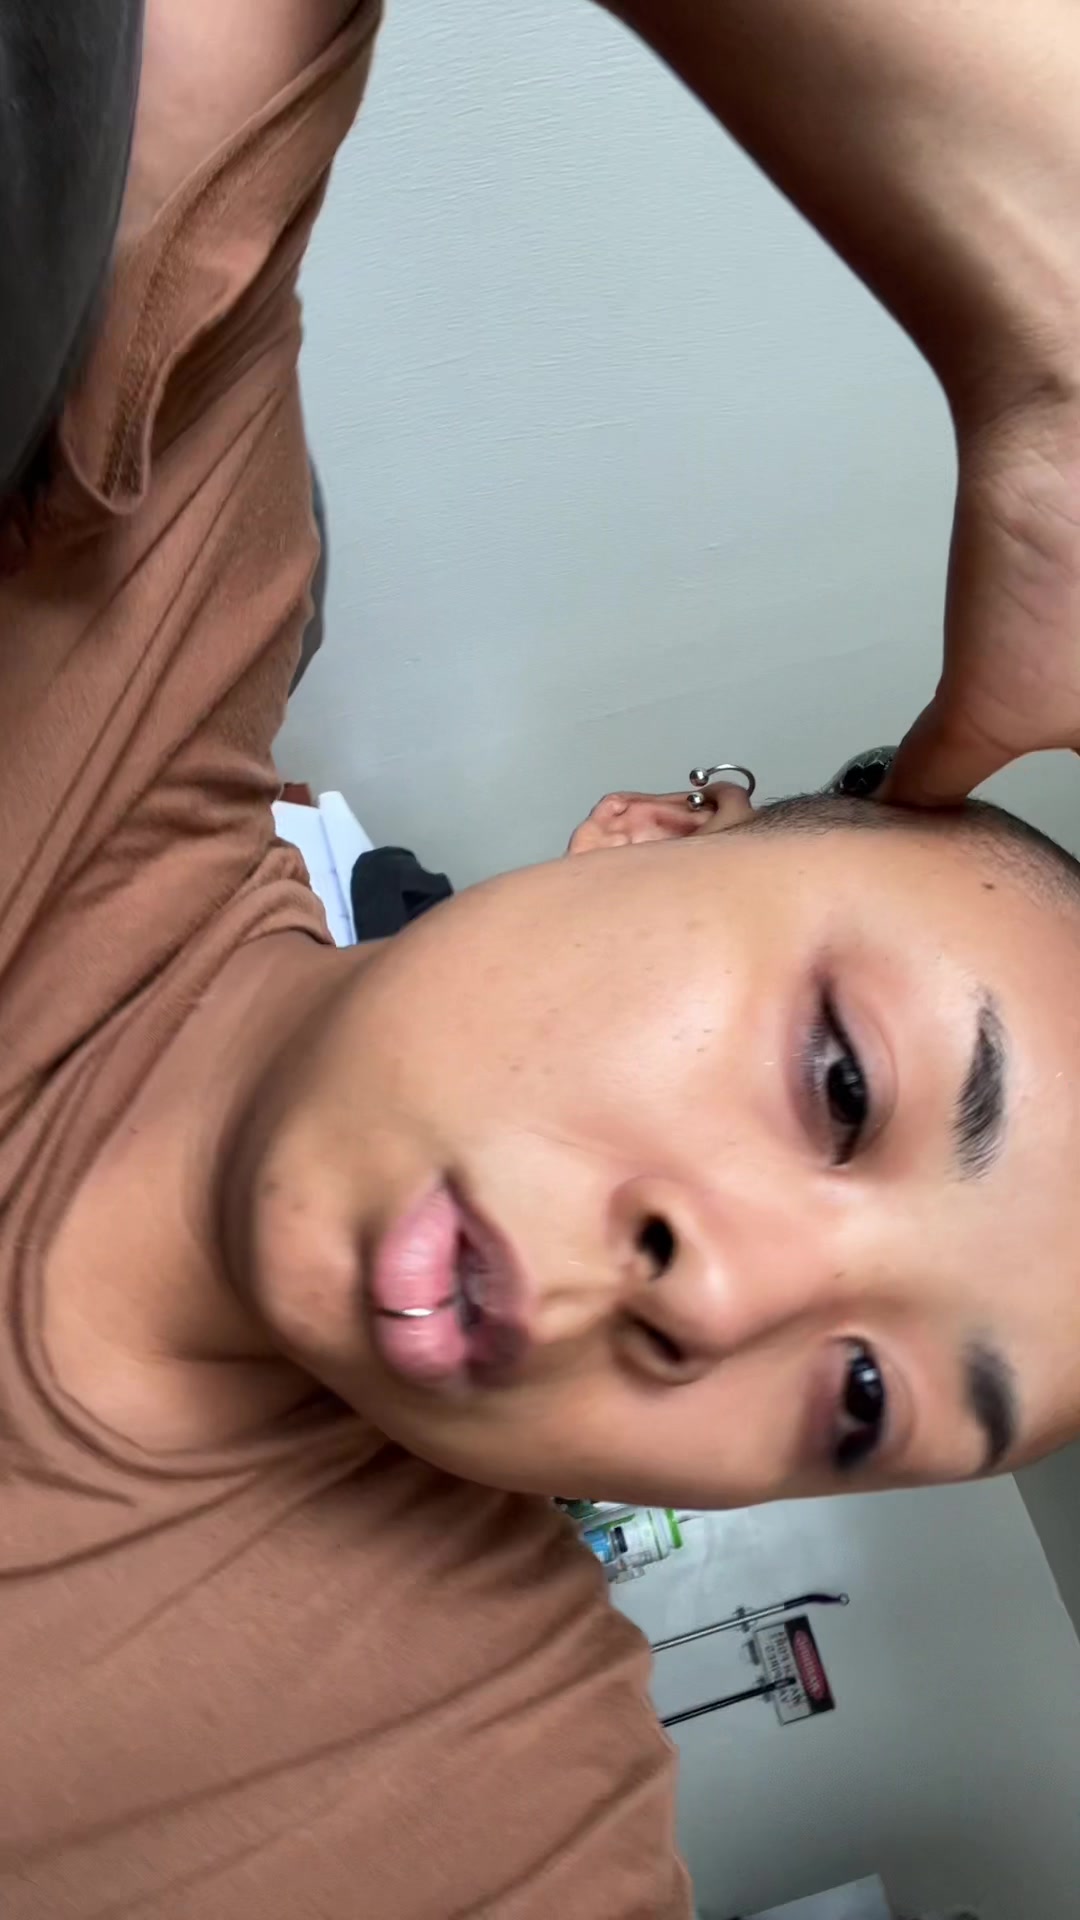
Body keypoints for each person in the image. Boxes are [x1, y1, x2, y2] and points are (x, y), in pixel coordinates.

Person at [5, 1, 1080, 1914]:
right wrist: (1059, 357)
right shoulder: (135, 576)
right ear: (657, 830)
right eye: (842, 1082)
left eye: (860, 1403)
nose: (720, 1297)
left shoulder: (474, 1798)